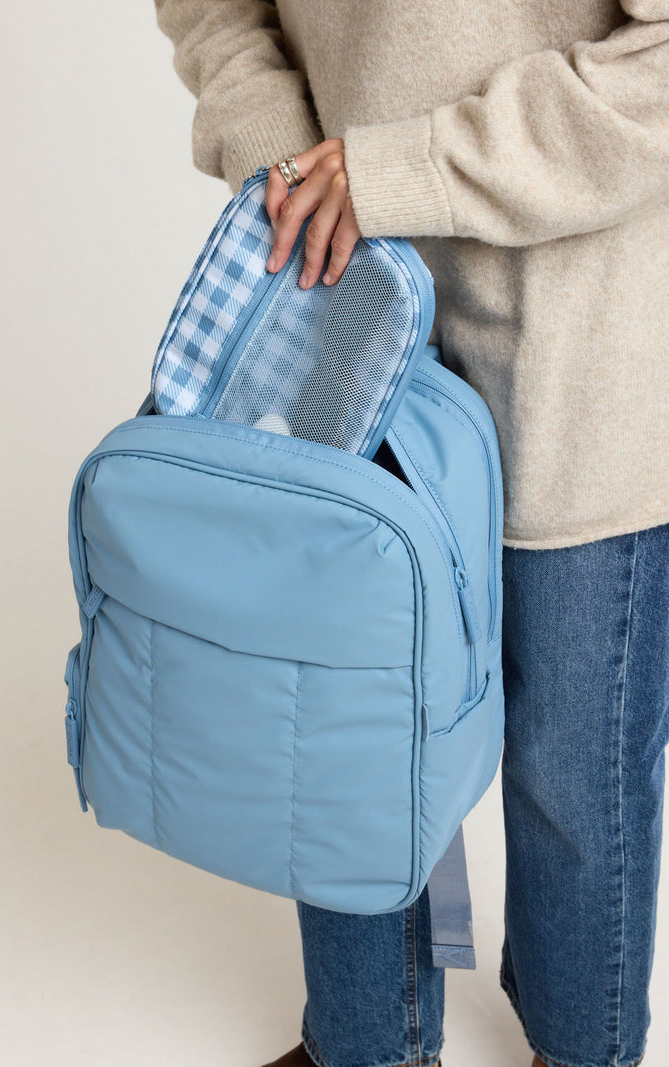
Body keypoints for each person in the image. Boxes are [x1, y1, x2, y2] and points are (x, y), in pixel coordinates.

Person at [153, 3, 669, 1066]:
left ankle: (580, 1048)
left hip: (584, 331)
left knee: (570, 766)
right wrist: (285, 166)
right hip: (347, 307)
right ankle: (364, 1042)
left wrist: (406, 166)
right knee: (348, 730)